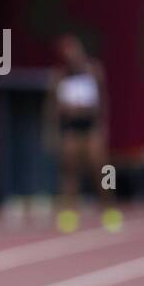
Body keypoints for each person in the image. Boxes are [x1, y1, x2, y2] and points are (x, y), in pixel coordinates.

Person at [46, 34, 117, 231]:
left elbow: (103, 101)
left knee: (102, 170)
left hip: (91, 127)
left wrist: (103, 126)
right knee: (69, 171)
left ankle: (110, 208)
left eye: (73, 51)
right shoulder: (59, 76)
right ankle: (69, 213)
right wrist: (54, 130)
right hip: (71, 128)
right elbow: (53, 108)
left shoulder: (94, 70)